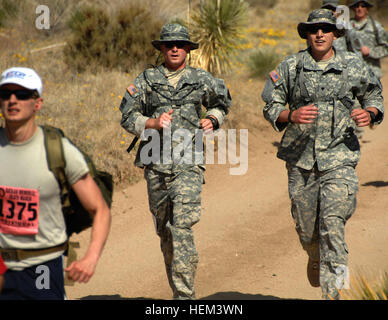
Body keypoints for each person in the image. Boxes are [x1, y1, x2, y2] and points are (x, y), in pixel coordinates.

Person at [261, 9, 384, 300]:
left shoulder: (353, 64)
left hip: (340, 157)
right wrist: (290, 114)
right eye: (314, 29)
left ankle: (335, 294)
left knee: (333, 227)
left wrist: (369, 113)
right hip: (301, 159)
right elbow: (270, 104)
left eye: (326, 29)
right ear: (306, 33)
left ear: (335, 34)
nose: (319, 34)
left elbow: (374, 95)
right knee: (307, 230)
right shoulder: (291, 66)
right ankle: (313, 253)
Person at [119, 23, 231, 299]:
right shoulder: (147, 79)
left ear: (188, 50)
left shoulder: (201, 78)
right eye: (169, 45)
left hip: (188, 163)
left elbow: (222, 102)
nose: (175, 49)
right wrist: (152, 122)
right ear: (162, 49)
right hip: (155, 163)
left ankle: (185, 297)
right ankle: (179, 287)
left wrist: (213, 118)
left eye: (180, 44)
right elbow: (127, 116)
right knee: (165, 232)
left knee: (181, 228)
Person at [0, 67, 111, 300]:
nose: (12, 100)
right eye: (5, 94)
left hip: (43, 266)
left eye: (21, 95)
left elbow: (99, 209)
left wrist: (91, 257)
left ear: (37, 103)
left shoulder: (58, 149)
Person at [348, 0, 388, 80]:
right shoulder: (347, 27)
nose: (360, 9)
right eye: (357, 6)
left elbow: (386, 48)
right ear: (353, 9)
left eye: (363, 6)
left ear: (367, 9)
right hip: (352, 74)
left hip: (372, 74)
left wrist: (371, 52)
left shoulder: (376, 26)